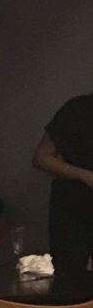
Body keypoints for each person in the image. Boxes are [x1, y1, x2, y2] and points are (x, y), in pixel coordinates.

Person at [33, 93, 93, 274]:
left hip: (71, 206)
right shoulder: (78, 108)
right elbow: (41, 157)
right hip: (73, 207)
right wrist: (84, 175)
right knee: (68, 278)